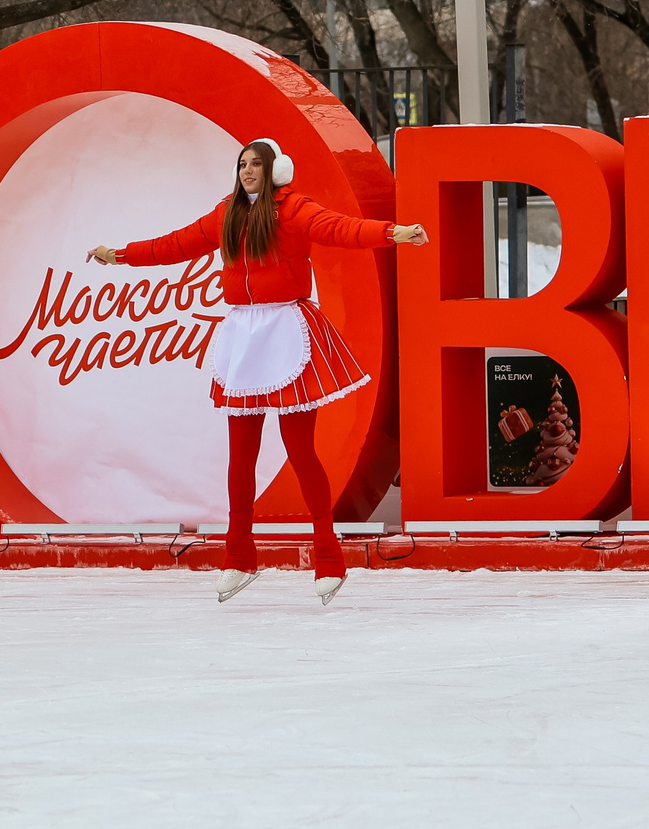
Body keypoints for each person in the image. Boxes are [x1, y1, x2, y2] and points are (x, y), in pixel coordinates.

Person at [88, 139, 426, 606]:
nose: (247, 171)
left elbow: (339, 228)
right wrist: (121, 254)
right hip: (243, 336)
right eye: (242, 164)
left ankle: (328, 556)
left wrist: (392, 232)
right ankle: (238, 555)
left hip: (285, 329)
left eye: (256, 165)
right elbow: (177, 244)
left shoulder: (293, 210)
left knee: (300, 450)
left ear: (275, 171)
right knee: (240, 455)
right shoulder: (226, 213)